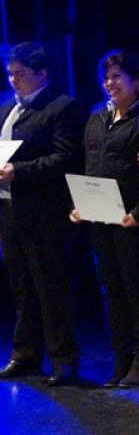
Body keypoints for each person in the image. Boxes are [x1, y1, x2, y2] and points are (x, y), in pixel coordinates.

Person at [72, 50, 139, 387]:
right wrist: (81, 204)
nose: (110, 83)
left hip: (135, 219)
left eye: (117, 76)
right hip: (101, 217)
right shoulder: (97, 116)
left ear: (136, 81)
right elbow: (90, 165)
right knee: (111, 288)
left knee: (136, 287)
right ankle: (122, 358)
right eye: (106, 78)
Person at [0, 42, 87, 386]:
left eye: (20, 74)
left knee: (51, 287)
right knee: (21, 285)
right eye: (10, 73)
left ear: (42, 73)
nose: (13, 80)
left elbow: (66, 158)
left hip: (43, 211)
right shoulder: (8, 108)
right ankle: (26, 353)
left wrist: (18, 171)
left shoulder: (61, 107)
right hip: (9, 209)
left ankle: (63, 359)